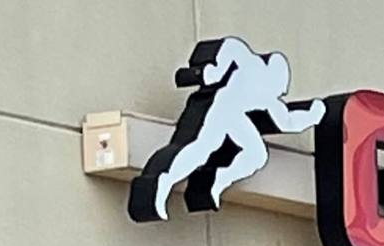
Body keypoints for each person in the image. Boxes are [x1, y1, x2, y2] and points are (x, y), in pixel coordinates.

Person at [130, 37, 324, 223]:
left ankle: (218, 179)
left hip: (235, 115)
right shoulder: (252, 66)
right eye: (281, 86)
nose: (281, 91)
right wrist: (216, 70)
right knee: (200, 148)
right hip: (219, 106)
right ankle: (161, 181)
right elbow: (231, 46)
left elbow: (286, 121)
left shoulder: (268, 97)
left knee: (257, 154)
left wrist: (314, 115)